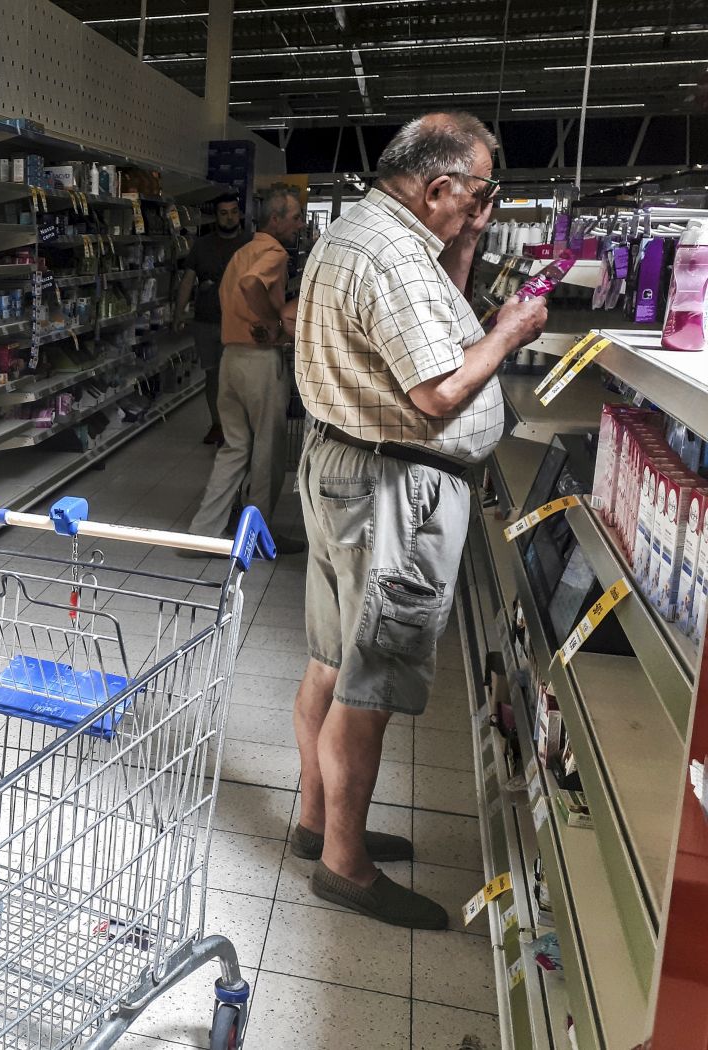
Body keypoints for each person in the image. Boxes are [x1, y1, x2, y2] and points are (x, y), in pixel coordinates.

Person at [288, 112, 547, 928]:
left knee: (333, 659)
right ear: (437, 187)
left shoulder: (367, 233)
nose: (482, 205)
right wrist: (509, 331)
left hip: (346, 469)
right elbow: (438, 391)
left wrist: (464, 246)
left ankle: (317, 822)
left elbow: (429, 336)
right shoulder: (393, 256)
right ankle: (344, 865)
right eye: (477, 192)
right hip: (391, 489)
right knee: (368, 682)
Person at [180, 187, 306, 556]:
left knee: (234, 448)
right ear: (276, 219)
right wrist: (272, 321)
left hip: (231, 357)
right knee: (268, 450)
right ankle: (257, 536)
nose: (300, 225)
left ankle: (202, 535)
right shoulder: (274, 252)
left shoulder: (242, 252)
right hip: (259, 361)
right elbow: (252, 284)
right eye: (295, 217)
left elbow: (234, 289)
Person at [175, 196, 252, 445]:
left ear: (239, 214)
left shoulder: (251, 244)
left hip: (240, 323)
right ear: (216, 216)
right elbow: (188, 280)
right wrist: (178, 312)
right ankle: (217, 424)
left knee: (237, 378)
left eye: (233, 212)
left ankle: (237, 426)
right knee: (213, 376)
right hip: (206, 320)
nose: (229, 218)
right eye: (223, 213)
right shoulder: (202, 245)